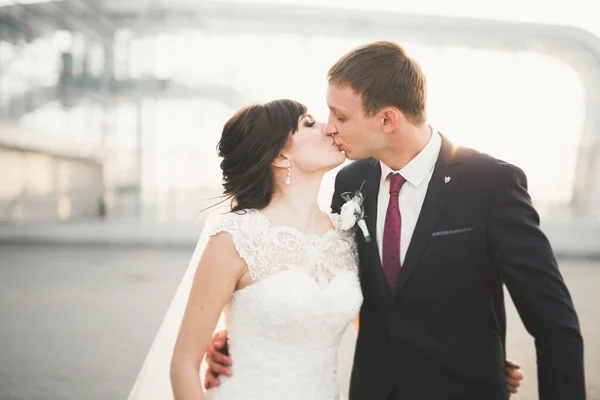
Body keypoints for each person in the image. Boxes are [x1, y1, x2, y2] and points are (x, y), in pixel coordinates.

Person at [205, 41, 585, 399]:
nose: (329, 127)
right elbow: (336, 284)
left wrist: (476, 358)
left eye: (340, 116)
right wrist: (245, 332)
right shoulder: (350, 182)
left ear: (387, 119)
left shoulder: (492, 185)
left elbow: (554, 323)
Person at [169, 99, 363, 400]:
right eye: (309, 124)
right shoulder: (236, 238)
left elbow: (373, 332)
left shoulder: (345, 235)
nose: (329, 127)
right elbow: (183, 365)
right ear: (281, 155)